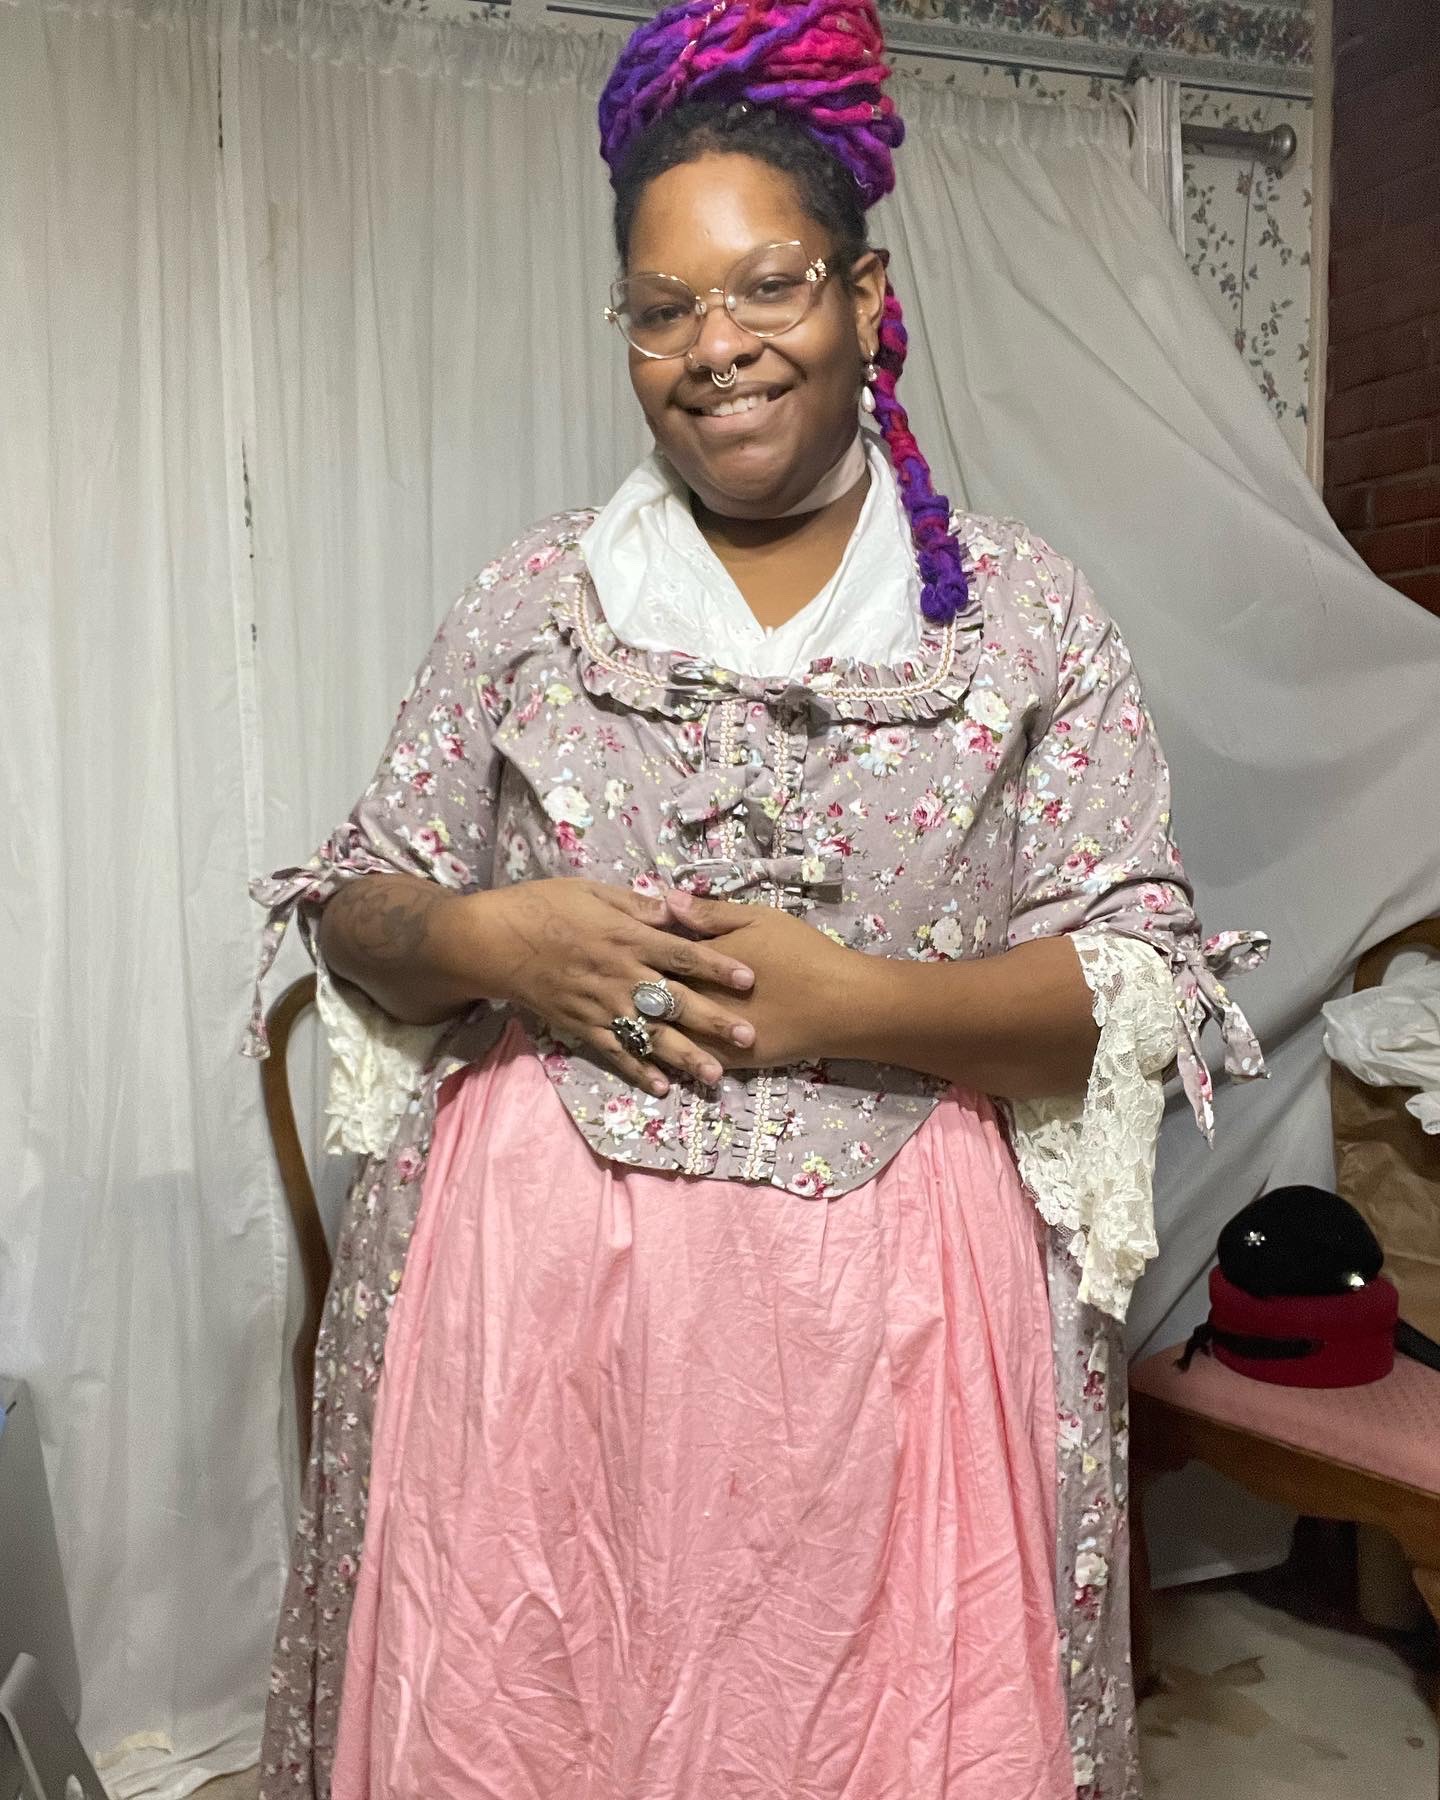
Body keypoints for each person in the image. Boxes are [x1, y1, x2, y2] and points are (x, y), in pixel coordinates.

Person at [246, 1, 1268, 1793]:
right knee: (534, 1721)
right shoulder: (534, 605)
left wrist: (855, 1003)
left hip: (893, 1339)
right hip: (543, 1331)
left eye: (766, 288)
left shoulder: (1019, 618)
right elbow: (356, 910)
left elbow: (1141, 979)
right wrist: (491, 939)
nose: (714, 347)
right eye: (662, 309)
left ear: (867, 300)